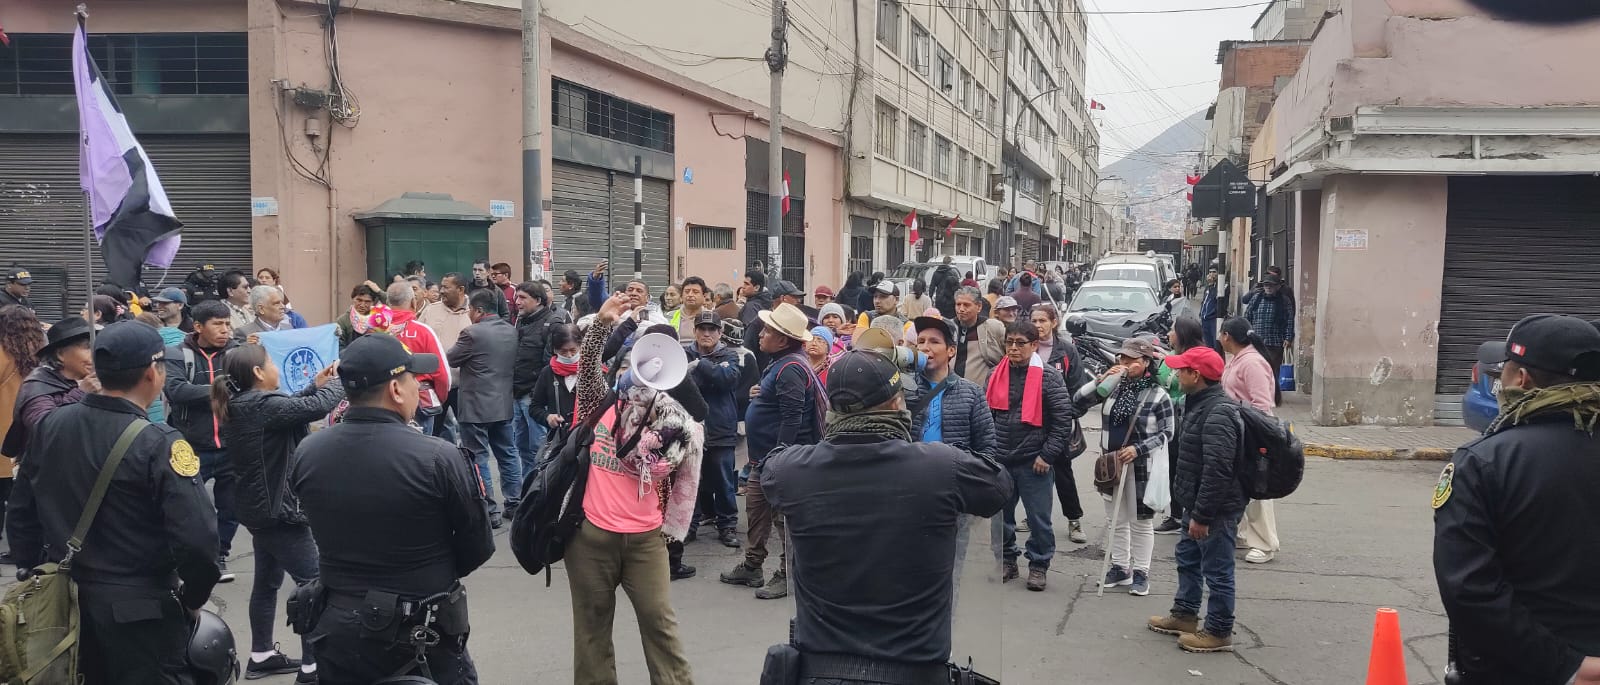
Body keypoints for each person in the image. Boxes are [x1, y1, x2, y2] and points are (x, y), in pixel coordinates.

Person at [758, 347, 1012, 684]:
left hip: (821, 672)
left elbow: (768, 468)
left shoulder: (793, 471)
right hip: (916, 671)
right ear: (897, 405)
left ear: (832, 409)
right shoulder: (940, 467)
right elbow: (999, 485)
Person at [6, 321, 221, 683]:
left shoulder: (51, 425)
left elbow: (22, 512)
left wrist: (33, 573)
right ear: (153, 374)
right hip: (143, 612)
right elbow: (198, 539)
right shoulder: (160, 442)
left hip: (66, 605)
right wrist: (194, 598)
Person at [292, 334, 493, 684]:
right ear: (396, 391)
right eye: (414, 379)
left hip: (337, 624)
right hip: (418, 632)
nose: (419, 386)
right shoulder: (438, 457)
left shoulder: (309, 450)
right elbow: (477, 545)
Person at [1434, 314, 1600, 685]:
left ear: (1520, 379)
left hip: (1520, 669)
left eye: (1501, 375)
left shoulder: (1483, 461)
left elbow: (1470, 591)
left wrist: (1569, 667)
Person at [567, 294, 700, 683]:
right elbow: (588, 366)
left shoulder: (671, 420)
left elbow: (700, 412)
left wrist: (672, 369)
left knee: (661, 626)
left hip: (645, 539)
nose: (635, 377)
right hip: (591, 535)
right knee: (591, 629)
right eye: (628, 367)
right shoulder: (598, 403)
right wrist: (604, 325)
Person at [214, 343, 342, 683]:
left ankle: (262, 654)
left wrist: (316, 384)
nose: (274, 367)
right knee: (313, 586)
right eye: (270, 362)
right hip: (279, 513)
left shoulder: (247, 404)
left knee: (267, 583)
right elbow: (315, 408)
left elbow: (294, 407)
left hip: (260, 510)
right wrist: (340, 381)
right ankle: (313, 668)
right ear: (258, 372)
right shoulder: (260, 405)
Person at [721, 302, 826, 600]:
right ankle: (752, 566)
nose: (762, 334)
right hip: (764, 460)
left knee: (784, 520)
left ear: (783, 339)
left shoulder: (791, 368)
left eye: (768, 331)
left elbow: (793, 417)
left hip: (781, 461)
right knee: (756, 510)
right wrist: (760, 393)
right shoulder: (781, 363)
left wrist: (780, 455)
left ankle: (788, 574)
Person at [1149, 345, 1246, 653]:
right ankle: (1184, 614)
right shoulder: (1197, 403)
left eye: (1181, 370)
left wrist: (1202, 516)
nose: (1176, 374)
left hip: (1215, 510)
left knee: (1217, 572)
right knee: (1188, 560)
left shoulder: (1219, 413)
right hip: (1196, 503)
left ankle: (1218, 631)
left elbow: (1218, 470)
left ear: (1196, 375)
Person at [1074, 337, 1176, 597]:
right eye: (1122, 358)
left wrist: (1138, 448)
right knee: (1115, 519)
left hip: (1141, 466)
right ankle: (1120, 567)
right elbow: (1078, 401)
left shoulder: (1157, 394)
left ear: (1145, 363)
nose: (1125, 363)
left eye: (1131, 360)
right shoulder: (1114, 387)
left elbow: (1168, 432)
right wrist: (1101, 380)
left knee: (1141, 521)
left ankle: (1141, 572)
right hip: (1111, 464)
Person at [987, 320, 1073, 591]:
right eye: (1009, 343)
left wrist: (1047, 456)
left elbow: (1062, 422)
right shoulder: (995, 374)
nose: (1013, 348)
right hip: (1000, 459)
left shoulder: (1048, 377)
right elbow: (986, 417)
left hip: (1034, 461)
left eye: (1020, 343)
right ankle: (1007, 560)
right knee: (1000, 518)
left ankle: (1038, 565)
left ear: (1035, 345)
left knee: (1039, 519)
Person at [164, 300, 242, 582]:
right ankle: (185, 560)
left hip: (232, 445)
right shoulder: (176, 354)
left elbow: (247, 386)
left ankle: (219, 556)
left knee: (231, 507)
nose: (225, 330)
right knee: (189, 508)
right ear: (198, 327)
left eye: (227, 323)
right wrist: (221, 389)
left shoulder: (236, 352)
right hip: (191, 445)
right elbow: (176, 390)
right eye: (217, 324)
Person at [450, 289, 522, 529]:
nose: (468, 313)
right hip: (502, 403)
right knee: (508, 453)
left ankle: (489, 509)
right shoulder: (511, 331)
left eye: (470, 309)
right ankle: (514, 502)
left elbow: (451, 359)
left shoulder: (471, 333)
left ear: (478, 310)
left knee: (478, 456)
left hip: (475, 407)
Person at [1217, 317, 1280, 564]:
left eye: (1221, 334)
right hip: (1238, 431)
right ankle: (1243, 534)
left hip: (1254, 433)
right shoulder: (1238, 360)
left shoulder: (1252, 363)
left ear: (1227, 336)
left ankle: (1265, 543)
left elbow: (1262, 405)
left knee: (1258, 490)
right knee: (1239, 486)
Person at [1032, 304, 1092, 544]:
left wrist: (1067, 415)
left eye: (1042, 321)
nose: (1037, 326)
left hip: (1059, 426)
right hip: (1031, 424)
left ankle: (1074, 519)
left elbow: (1080, 389)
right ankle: (1033, 516)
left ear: (1053, 322)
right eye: (1034, 321)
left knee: (1063, 473)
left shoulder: (1066, 351)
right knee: (1032, 474)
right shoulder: (1027, 348)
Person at [684, 311, 743, 550]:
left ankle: (727, 526)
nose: (706, 334)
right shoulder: (683, 354)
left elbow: (728, 378)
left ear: (720, 333)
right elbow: (680, 384)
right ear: (695, 331)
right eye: (702, 329)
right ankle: (688, 526)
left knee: (724, 482)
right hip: (690, 429)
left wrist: (700, 365)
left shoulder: (729, 354)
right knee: (690, 481)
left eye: (711, 329)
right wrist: (708, 370)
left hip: (720, 429)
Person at [2, 316, 96, 463]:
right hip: (44, 476)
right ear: (60, 354)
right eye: (87, 348)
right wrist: (81, 393)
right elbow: (45, 429)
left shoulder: (93, 383)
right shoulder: (37, 386)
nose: (94, 354)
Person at [0, 306, 45, 562]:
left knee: (5, 496)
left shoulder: (2, 353)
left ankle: (13, 549)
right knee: (29, 496)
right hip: (34, 428)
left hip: (4, 432)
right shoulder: (43, 354)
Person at [1154, 316, 1206, 535]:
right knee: (1172, 467)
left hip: (1187, 421)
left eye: (1173, 330)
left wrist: (1172, 400)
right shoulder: (1170, 358)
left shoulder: (1198, 359)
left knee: (1187, 468)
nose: (1168, 334)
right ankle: (1175, 515)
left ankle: (1191, 514)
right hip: (1167, 422)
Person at [383, 280, 454, 434]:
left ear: (388, 303)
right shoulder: (423, 331)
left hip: (383, 402)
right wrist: (438, 398)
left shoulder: (375, 331)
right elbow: (443, 375)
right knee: (421, 453)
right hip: (419, 402)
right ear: (413, 302)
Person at [513, 281, 569, 470]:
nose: (517, 302)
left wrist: (539, 394)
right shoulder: (521, 320)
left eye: (522, 298)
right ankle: (527, 491)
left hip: (535, 397)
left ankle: (541, 490)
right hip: (517, 393)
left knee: (540, 449)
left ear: (537, 300)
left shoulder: (553, 324)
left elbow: (551, 364)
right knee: (522, 446)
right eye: (516, 297)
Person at [1242, 273, 1294, 405]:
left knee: (1273, 370)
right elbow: (1247, 316)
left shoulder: (1284, 301)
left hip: (1275, 341)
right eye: (1266, 285)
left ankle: (1273, 396)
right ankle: (1258, 394)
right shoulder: (1256, 298)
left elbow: (1289, 321)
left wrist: (1288, 338)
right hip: (1257, 341)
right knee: (1258, 369)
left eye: (1271, 285)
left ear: (1278, 287)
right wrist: (1246, 335)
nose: (1268, 287)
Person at [334, 281, 384, 348]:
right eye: (359, 300)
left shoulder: (380, 319)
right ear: (353, 299)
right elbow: (338, 348)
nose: (362, 305)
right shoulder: (343, 321)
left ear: (373, 303)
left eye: (367, 302)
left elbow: (395, 305)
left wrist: (379, 292)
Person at [1200, 270, 1223, 350]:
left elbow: (1215, 298)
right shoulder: (1208, 287)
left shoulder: (1221, 286)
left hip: (1213, 319)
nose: (1211, 274)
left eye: (1214, 272)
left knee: (1215, 342)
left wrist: (1211, 285)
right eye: (1210, 272)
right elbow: (1205, 300)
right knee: (1207, 342)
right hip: (1205, 318)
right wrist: (1201, 313)